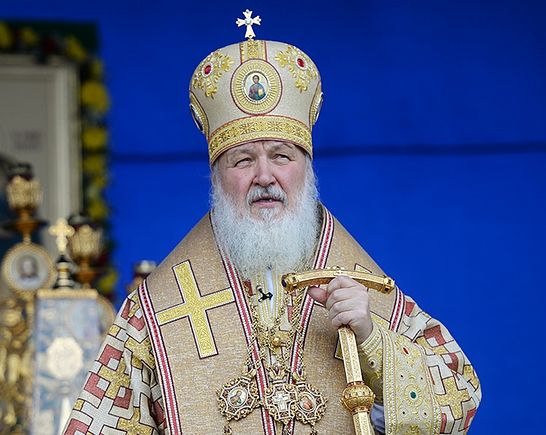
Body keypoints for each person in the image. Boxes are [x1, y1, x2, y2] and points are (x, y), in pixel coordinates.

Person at [64, 14, 481, 435]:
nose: (264, 176)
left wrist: (371, 339)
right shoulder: (155, 311)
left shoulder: (362, 289)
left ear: (307, 170)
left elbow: (459, 399)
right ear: (216, 177)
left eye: (282, 156)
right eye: (242, 160)